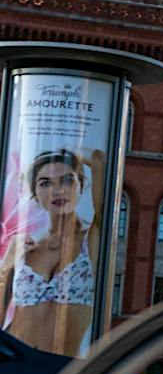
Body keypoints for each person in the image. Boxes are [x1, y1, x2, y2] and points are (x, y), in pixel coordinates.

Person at [0, 146, 108, 356]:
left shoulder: (91, 238)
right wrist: (5, 266)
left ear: (81, 185)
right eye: (45, 183)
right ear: (34, 193)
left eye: (67, 180)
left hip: (64, 370)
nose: (57, 191)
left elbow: (99, 162)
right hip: (14, 369)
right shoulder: (24, 247)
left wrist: (73, 151)